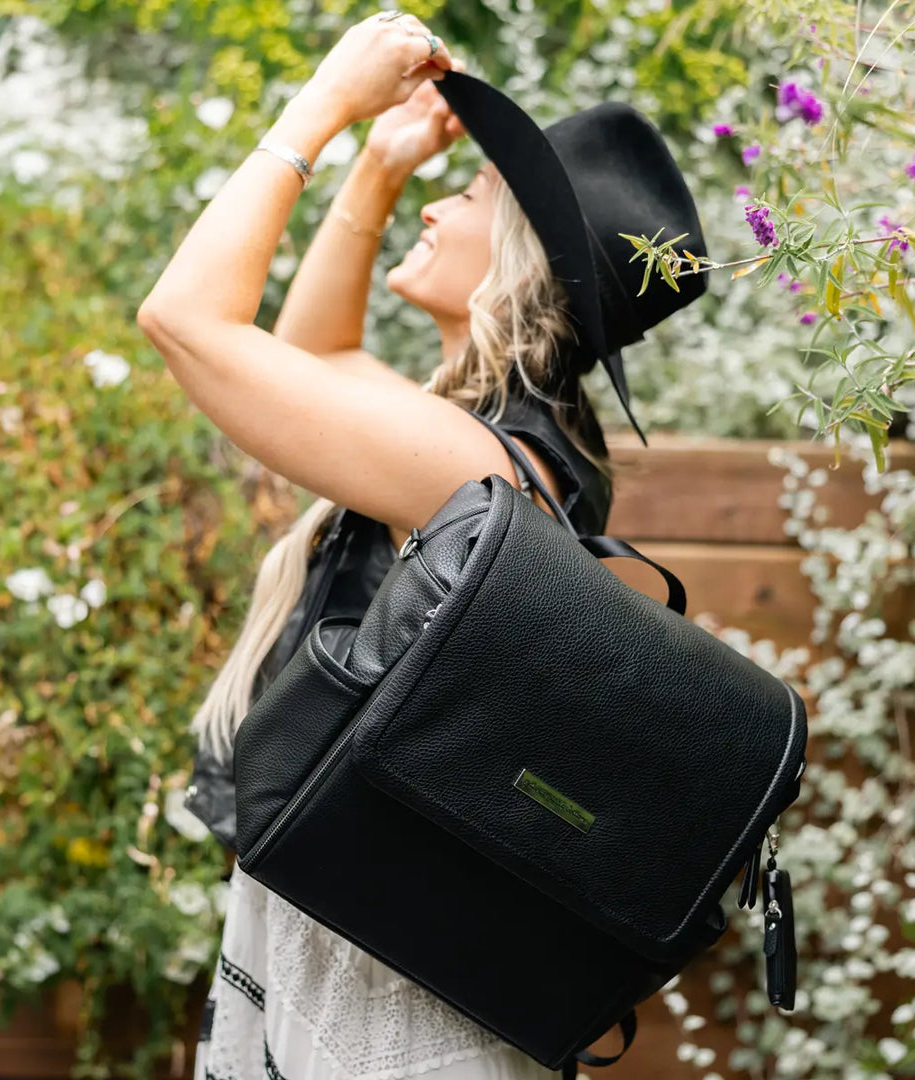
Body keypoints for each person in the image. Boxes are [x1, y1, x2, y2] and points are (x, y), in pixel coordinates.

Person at [137, 10, 709, 1077]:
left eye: (475, 191)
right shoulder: (510, 437)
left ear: (519, 259)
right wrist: (379, 169)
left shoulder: (474, 465)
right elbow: (316, 358)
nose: (442, 199)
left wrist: (324, 106)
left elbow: (186, 320)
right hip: (380, 933)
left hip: (385, 993)